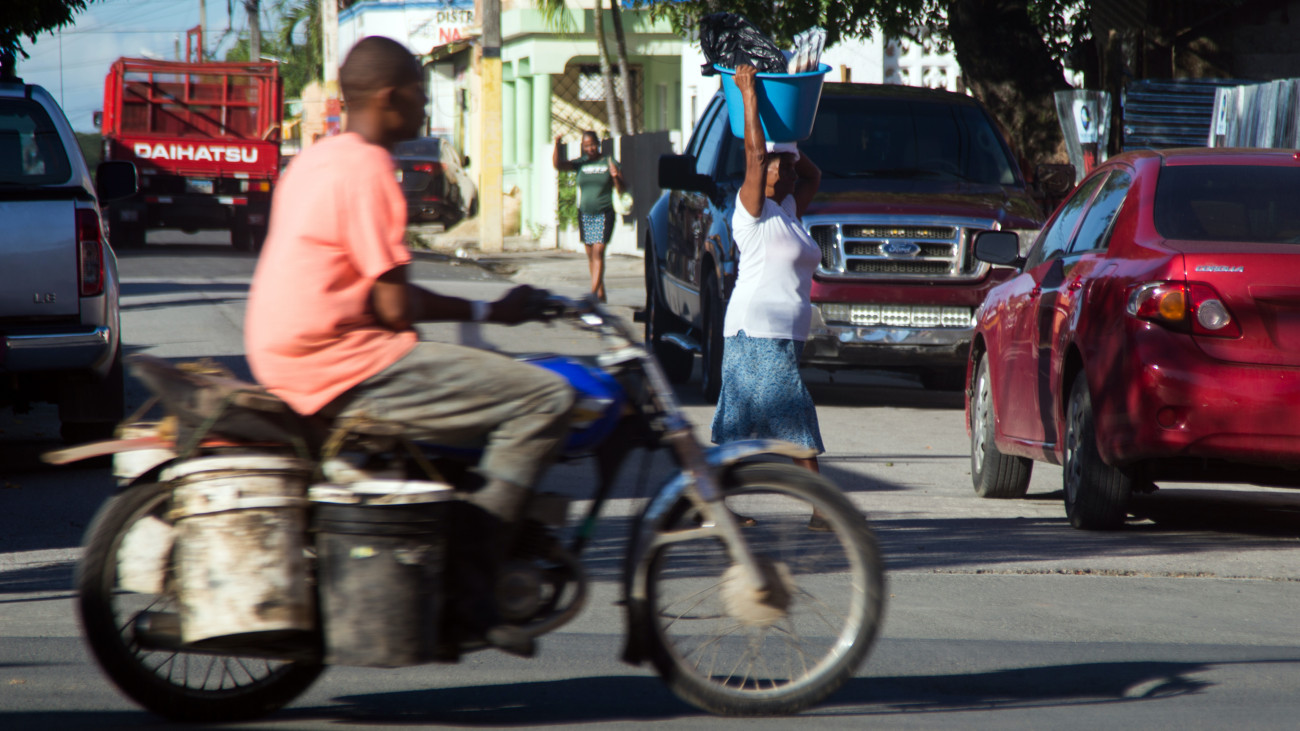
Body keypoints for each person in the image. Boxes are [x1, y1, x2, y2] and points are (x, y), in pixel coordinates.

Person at [244, 36, 574, 649]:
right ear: (391, 98)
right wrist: (490, 312)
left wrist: (483, 316)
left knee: (469, 388)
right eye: (421, 96)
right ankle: (474, 592)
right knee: (545, 397)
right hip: (340, 363)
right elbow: (395, 309)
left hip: (285, 354)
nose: (426, 109)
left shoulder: (317, 159)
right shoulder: (369, 168)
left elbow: (378, 296)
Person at [710, 64, 830, 529]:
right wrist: (750, 96)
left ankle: (713, 507)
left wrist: (792, 140)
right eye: (783, 166)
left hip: (782, 336)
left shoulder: (789, 212)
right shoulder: (752, 211)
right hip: (754, 332)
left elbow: (814, 176)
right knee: (792, 412)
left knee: (741, 427)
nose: (791, 172)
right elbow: (755, 156)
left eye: (790, 166)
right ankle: (823, 508)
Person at [552, 130, 626, 302]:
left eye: (592, 145)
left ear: (598, 144)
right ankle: (600, 291)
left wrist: (615, 177)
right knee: (591, 254)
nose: (590, 148)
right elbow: (558, 165)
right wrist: (557, 145)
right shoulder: (581, 163)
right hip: (585, 213)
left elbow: (622, 188)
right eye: (586, 146)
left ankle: (592, 294)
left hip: (604, 212)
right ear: (583, 147)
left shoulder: (608, 161)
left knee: (598, 252)